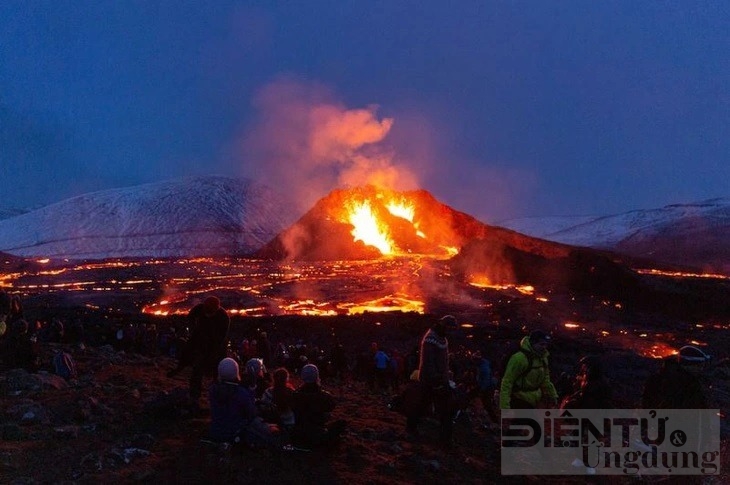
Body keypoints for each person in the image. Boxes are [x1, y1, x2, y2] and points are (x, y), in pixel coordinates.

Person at [406, 314, 459, 447]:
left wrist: (446, 374)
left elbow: (442, 360)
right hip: (431, 380)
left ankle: (442, 437)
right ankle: (443, 439)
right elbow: (428, 361)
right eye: (449, 328)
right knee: (433, 406)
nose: (450, 332)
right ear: (443, 325)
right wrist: (436, 379)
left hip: (439, 379)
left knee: (428, 405)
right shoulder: (431, 339)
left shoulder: (441, 337)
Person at [168, 296, 230, 409]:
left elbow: (220, 340)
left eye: (210, 314)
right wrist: (194, 332)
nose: (207, 315)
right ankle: (194, 397)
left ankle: (219, 397)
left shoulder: (223, 318)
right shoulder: (199, 309)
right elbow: (190, 318)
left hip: (217, 345)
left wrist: (211, 353)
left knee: (218, 372)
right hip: (200, 340)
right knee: (197, 369)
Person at [208, 357, 279, 447]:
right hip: (236, 433)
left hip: (216, 431)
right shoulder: (240, 392)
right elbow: (251, 414)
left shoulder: (213, 390)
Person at [290, 363, 346, 448]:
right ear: (317, 377)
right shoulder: (324, 396)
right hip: (317, 434)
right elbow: (331, 406)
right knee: (341, 423)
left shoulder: (295, 395)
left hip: (299, 433)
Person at [500, 330, 558, 410]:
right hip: (519, 399)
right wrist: (505, 407)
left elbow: (545, 380)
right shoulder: (519, 358)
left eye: (546, 344)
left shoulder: (543, 358)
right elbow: (507, 382)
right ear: (532, 343)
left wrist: (553, 395)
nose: (544, 347)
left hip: (534, 399)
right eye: (541, 344)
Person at [642, 345, 711, 409]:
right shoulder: (688, 384)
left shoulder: (657, 378)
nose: (701, 369)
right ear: (690, 365)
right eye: (699, 366)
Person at [260, 367, 296, 432]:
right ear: (286, 379)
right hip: (290, 424)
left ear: (274, 378)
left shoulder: (268, 392)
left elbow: (263, 408)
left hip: (274, 426)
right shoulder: (292, 392)